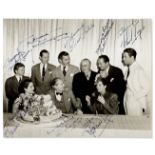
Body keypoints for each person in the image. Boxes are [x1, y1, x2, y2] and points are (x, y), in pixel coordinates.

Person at [122, 48, 150, 115]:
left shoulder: (139, 70)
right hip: (128, 101)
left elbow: (147, 88)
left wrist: (135, 97)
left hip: (136, 104)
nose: (123, 59)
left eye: (125, 57)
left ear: (132, 57)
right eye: (123, 57)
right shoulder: (128, 70)